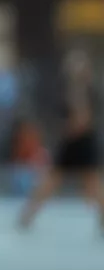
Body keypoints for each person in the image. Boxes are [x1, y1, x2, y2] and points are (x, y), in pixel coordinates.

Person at [18, 49, 104, 229]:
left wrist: (71, 125)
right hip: (69, 144)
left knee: (93, 184)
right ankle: (28, 215)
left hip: (83, 143)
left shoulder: (89, 92)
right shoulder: (64, 92)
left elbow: (83, 122)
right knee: (51, 181)